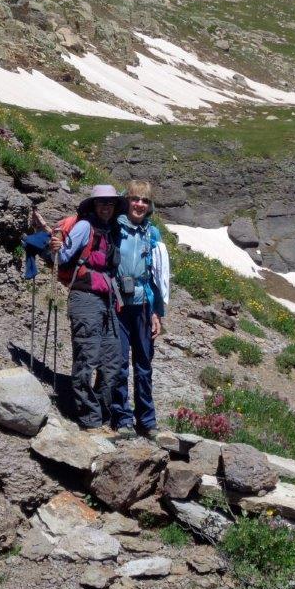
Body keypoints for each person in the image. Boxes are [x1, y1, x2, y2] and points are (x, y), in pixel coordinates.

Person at [49, 184, 123, 435]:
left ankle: (100, 416)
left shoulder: (112, 231)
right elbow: (65, 256)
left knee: (112, 361)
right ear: (93, 205)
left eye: (110, 203)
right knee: (87, 358)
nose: (106, 207)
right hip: (85, 298)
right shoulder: (84, 227)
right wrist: (58, 247)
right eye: (101, 202)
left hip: (108, 301)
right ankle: (89, 420)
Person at [111, 180, 170, 440]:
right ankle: (122, 417)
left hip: (144, 306)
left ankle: (147, 421)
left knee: (144, 365)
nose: (139, 204)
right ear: (127, 201)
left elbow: (159, 276)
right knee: (120, 363)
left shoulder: (153, 234)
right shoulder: (114, 228)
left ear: (150, 206)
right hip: (117, 304)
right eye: (135, 199)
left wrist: (157, 313)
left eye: (145, 201)